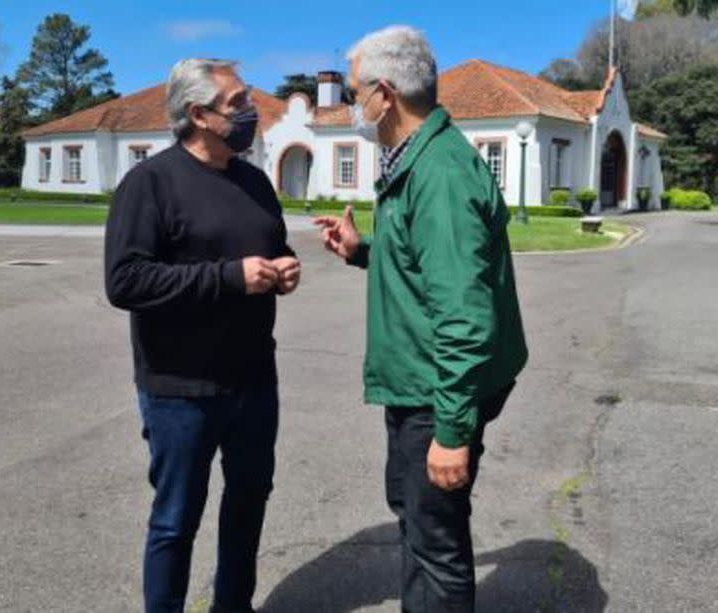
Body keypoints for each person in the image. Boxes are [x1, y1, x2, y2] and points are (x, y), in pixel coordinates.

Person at [314, 26, 528, 612]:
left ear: (385, 93)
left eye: (356, 91)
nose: (353, 104)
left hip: (437, 392)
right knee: (416, 520)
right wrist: (364, 249)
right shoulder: (416, 159)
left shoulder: (440, 173)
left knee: (435, 544)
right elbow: (425, 266)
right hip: (421, 383)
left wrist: (452, 433)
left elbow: (464, 316)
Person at [104, 58, 300, 613]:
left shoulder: (254, 180)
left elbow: (272, 243)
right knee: (176, 519)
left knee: (248, 503)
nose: (252, 112)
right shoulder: (150, 183)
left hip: (254, 381)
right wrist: (231, 277)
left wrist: (282, 268)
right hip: (179, 389)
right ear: (198, 115)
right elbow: (125, 280)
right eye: (237, 103)